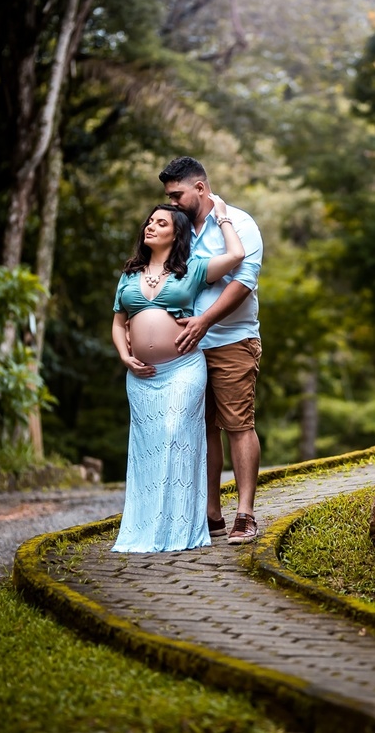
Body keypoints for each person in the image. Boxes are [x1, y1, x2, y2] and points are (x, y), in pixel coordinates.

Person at [110, 201, 244, 552]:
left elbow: (236, 256)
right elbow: (117, 321)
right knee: (148, 447)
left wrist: (224, 218)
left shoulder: (194, 269)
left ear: (177, 233)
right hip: (141, 376)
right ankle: (149, 527)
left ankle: (181, 526)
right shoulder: (129, 273)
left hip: (183, 368)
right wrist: (125, 357)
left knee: (174, 435)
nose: (150, 227)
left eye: (161, 223)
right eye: (149, 222)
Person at [159, 156, 264, 544]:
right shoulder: (178, 229)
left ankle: (245, 515)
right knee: (202, 429)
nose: (171, 203)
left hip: (231, 341)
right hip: (185, 347)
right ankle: (211, 514)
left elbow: (244, 282)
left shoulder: (239, 224)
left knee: (238, 425)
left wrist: (205, 322)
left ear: (200, 189)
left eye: (176, 195)